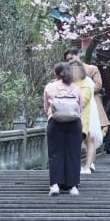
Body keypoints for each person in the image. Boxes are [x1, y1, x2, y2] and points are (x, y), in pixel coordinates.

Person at [43, 61, 83, 196]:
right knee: (73, 154)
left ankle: (55, 185)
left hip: (55, 122)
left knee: (55, 154)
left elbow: (46, 107)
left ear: (56, 74)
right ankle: (73, 186)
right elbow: (80, 108)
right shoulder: (76, 88)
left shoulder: (50, 87)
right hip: (74, 123)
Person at [68, 58, 99, 174]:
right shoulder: (66, 83)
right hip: (69, 116)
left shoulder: (86, 83)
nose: (73, 71)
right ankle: (76, 166)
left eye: (75, 69)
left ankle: (88, 165)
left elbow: (84, 100)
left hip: (86, 114)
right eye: (71, 69)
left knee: (89, 139)